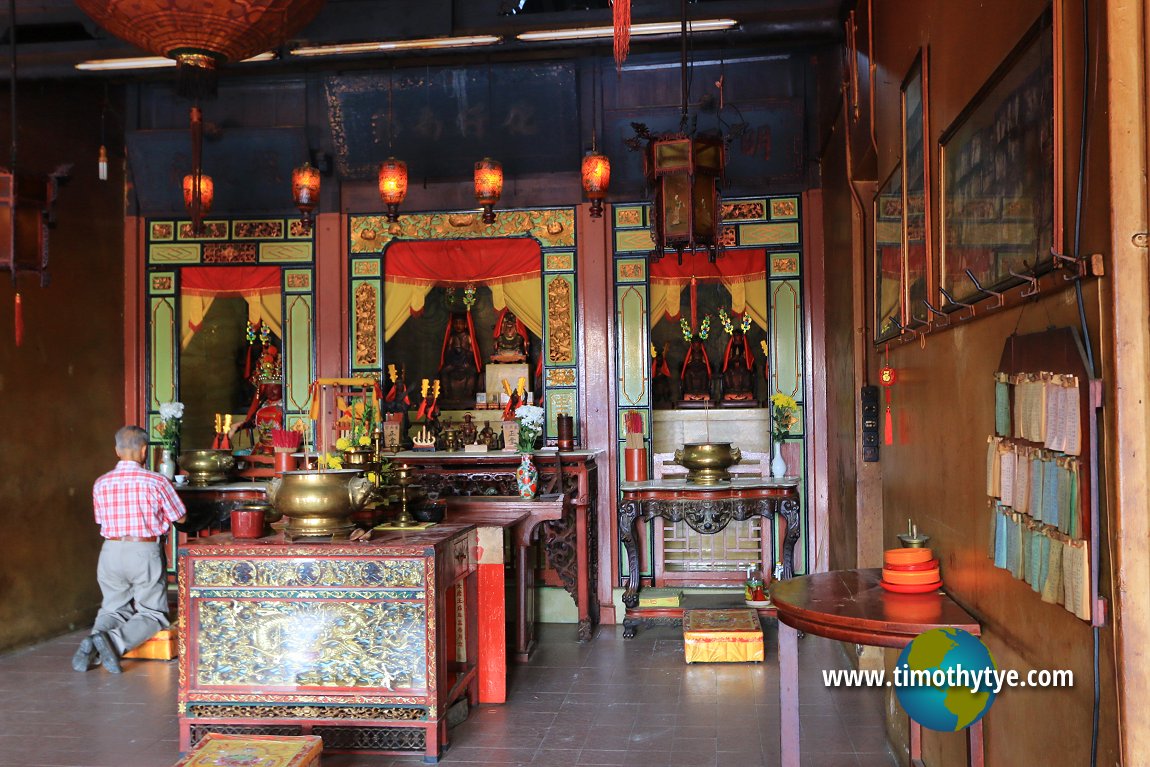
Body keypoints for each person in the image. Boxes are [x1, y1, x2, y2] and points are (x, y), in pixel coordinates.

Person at [73, 425, 187, 674]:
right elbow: (179, 517)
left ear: (117, 450)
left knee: (113, 608)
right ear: (145, 450)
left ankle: (92, 647)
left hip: (110, 551)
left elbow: (101, 520)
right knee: (153, 613)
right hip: (142, 551)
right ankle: (112, 643)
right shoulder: (156, 481)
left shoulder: (101, 483)